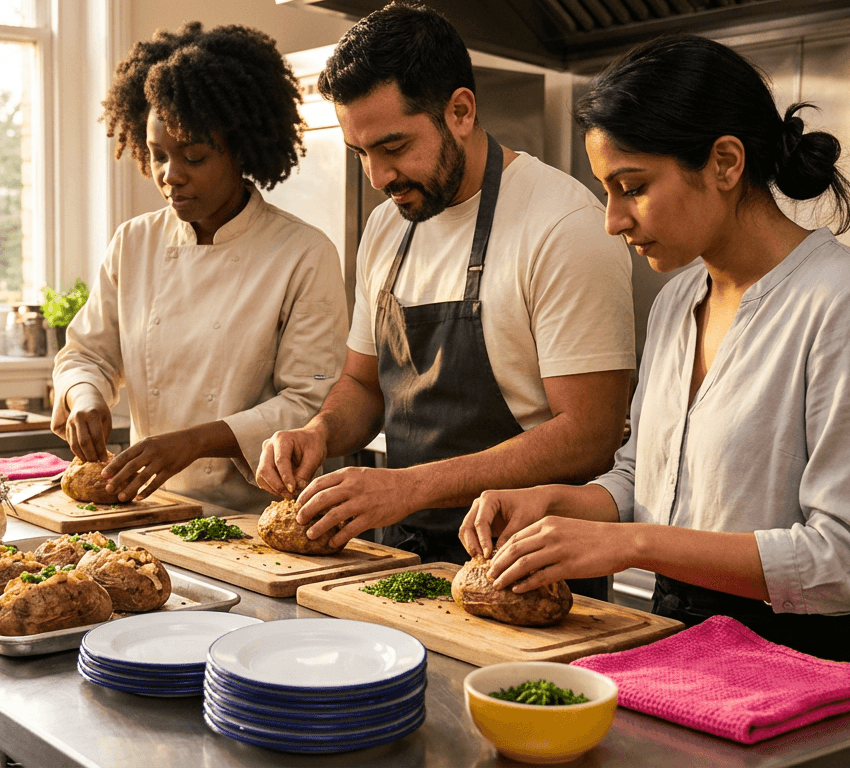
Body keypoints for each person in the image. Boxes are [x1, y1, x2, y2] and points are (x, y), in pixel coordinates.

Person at [459, 35, 850, 676]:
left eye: (632, 187)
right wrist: (553, 502)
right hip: (682, 651)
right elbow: (639, 481)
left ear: (725, 163)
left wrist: (627, 544)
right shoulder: (677, 302)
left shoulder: (849, 304)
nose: (612, 220)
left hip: (807, 668)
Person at [255, 2, 635, 585]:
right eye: (361, 154)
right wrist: (319, 433)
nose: (378, 178)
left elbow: (591, 434)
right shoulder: (387, 227)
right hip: (401, 555)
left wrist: (408, 486)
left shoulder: (563, 225)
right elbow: (361, 383)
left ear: (460, 110)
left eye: (394, 146)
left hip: (526, 565)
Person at [51, 22, 348, 514]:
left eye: (194, 156)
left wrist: (194, 442)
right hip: (147, 510)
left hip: (252, 520)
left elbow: (308, 403)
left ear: (242, 151)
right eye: (157, 154)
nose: (170, 175)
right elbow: (88, 354)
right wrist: (85, 397)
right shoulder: (134, 243)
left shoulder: (303, 253)